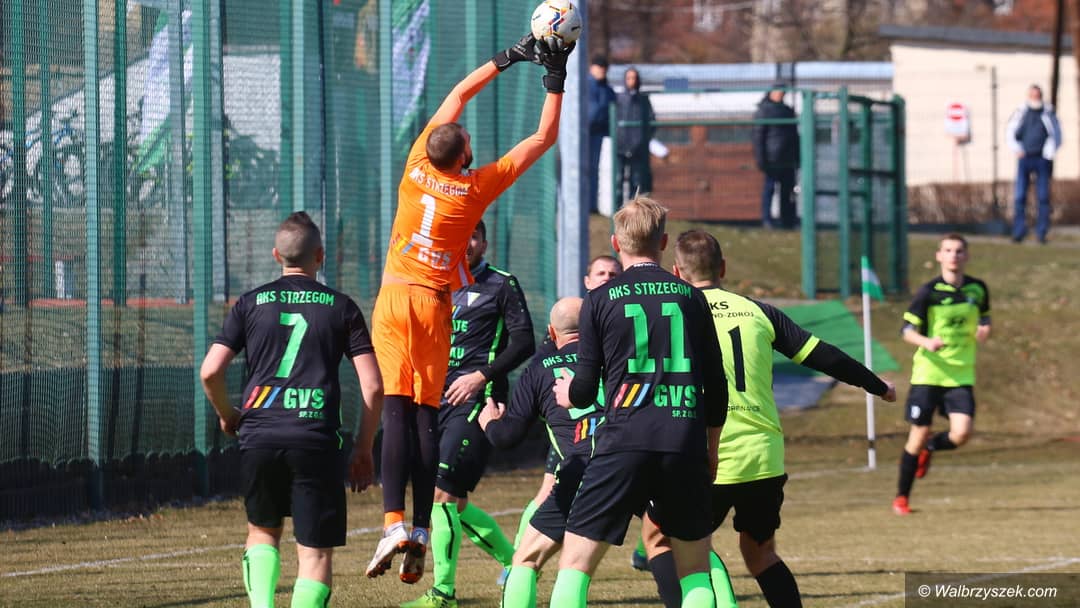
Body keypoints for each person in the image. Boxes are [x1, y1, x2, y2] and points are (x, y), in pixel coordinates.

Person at [366, 34, 575, 583]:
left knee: (395, 410)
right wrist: (555, 75)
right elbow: (544, 137)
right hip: (435, 304)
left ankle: (392, 524)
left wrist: (510, 55)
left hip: (393, 298)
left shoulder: (417, 161)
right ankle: (420, 527)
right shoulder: (473, 189)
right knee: (424, 415)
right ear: (464, 158)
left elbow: (458, 94)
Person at [641, 229, 896, 608]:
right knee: (760, 553)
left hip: (705, 456)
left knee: (659, 540)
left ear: (676, 272)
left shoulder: (674, 313)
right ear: (723, 267)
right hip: (763, 457)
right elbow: (823, 355)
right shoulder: (758, 311)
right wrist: (877, 385)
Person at [550, 196, 729, 608]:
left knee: (575, 565)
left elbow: (584, 388)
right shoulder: (691, 298)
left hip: (623, 442)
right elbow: (716, 387)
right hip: (682, 442)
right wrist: (711, 448)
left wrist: (567, 394)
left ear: (616, 243)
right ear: (663, 243)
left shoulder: (600, 299)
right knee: (695, 572)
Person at [199, 211, 385, 608]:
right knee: (314, 554)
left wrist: (229, 414)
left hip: (259, 435)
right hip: (315, 440)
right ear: (320, 255)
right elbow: (373, 385)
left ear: (276, 255)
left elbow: (210, 371)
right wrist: (364, 448)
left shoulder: (249, 303)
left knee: (262, 533)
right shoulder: (342, 307)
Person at [403, 221, 536, 608]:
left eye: (473, 236)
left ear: (484, 242)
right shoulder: (433, 282)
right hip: (435, 400)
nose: (466, 243)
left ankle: (443, 592)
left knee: (442, 493)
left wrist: (481, 377)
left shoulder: (501, 284)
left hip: (478, 402)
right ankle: (516, 563)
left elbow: (524, 341)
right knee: (454, 504)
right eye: (460, 237)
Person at [500, 254, 623, 587]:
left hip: (603, 440)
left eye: (614, 274)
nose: (607, 278)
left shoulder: (617, 319)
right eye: (601, 273)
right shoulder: (580, 322)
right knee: (547, 490)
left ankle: (521, 565)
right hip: (591, 437)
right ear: (587, 281)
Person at [480, 297, 608, 608]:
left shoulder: (538, 371)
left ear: (551, 332)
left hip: (582, 469)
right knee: (683, 547)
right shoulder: (616, 356)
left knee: (527, 559)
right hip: (631, 460)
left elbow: (508, 436)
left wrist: (489, 423)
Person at [893, 233, 991, 516]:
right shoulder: (929, 292)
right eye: (948, 250)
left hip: (961, 374)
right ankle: (901, 498)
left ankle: (931, 448)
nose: (953, 256)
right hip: (929, 373)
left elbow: (985, 318)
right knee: (917, 435)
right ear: (939, 256)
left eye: (959, 251)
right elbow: (906, 331)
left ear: (966, 256)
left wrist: (985, 329)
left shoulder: (977, 289)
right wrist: (926, 342)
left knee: (962, 434)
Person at [1006, 84, 1061, 244]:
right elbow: (1010, 132)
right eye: (1033, 95)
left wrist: (1049, 153)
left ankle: (1041, 233)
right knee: (1019, 197)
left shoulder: (1048, 112)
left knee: (1043, 197)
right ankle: (1018, 232)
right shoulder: (1021, 112)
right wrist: (1017, 149)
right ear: (1028, 96)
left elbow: (1057, 134)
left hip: (1042, 159)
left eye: (1037, 95)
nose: (1035, 98)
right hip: (1024, 158)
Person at [751, 83, 799, 230]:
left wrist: (797, 157)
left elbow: (795, 136)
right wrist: (761, 159)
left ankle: (787, 221)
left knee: (787, 191)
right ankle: (767, 219)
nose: (781, 94)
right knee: (769, 190)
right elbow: (758, 137)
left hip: (787, 158)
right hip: (772, 159)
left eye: (783, 92)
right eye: (778, 91)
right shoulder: (764, 111)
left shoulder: (787, 111)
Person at [615, 68, 656, 204]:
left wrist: (642, 140)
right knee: (618, 179)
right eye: (629, 78)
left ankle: (634, 209)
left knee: (636, 181)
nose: (632, 81)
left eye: (634, 78)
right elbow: (613, 120)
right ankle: (618, 209)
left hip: (638, 148)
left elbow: (651, 121)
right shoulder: (619, 99)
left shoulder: (643, 100)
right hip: (620, 147)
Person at [587, 56, 617, 214]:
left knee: (595, 170)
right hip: (583, 134)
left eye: (604, 68)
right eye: (599, 67)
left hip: (600, 134)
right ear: (592, 67)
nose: (601, 71)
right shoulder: (583, 85)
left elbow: (611, 110)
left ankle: (591, 205)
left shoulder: (607, 90)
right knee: (581, 169)